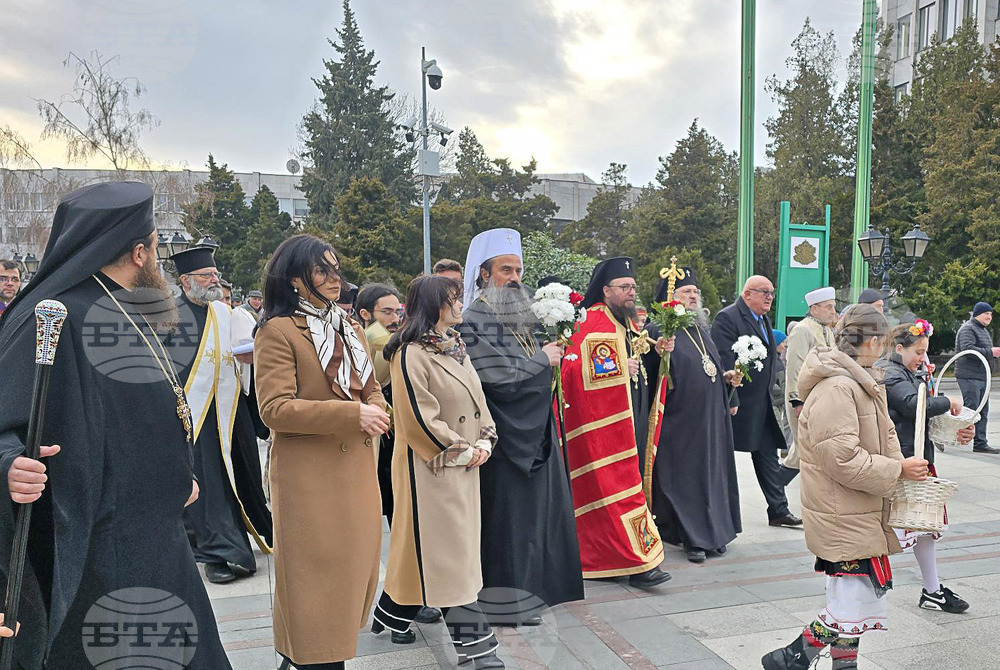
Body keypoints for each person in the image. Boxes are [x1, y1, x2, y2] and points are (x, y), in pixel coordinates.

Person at [0, 182, 231, 668]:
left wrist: (175, 475)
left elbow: (142, 418)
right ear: (139, 251)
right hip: (100, 557)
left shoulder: (127, 306)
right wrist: (7, 465)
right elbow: (9, 420)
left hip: (161, 538)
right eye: (153, 247)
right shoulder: (52, 315)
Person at [762, 304, 930, 670]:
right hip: (843, 511)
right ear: (870, 341)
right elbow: (842, 460)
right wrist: (897, 468)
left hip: (859, 508)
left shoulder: (859, 380)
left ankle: (839, 665)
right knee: (849, 601)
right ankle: (790, 657)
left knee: (855, 599)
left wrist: (902, 469)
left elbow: (880, 438)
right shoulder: (838, 387)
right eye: (882, 342)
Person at [254, 234, 389, 670]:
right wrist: (352, 414)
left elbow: (371, 388)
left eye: (336, 268)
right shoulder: (277, 331)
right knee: (315, 590)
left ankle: (308, 659)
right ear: (295, 280)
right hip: (309, 478)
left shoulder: (348, 327)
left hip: (355, 471)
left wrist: (376, 408)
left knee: (349, 583)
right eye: (322, 271)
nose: (336, 279)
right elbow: (274, 409)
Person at [371, 275, 504, 669]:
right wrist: (464, 451)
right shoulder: (411, 353)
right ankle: (480, 653)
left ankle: (389, 614)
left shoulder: (454, 349)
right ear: (434, 306)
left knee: (434, 553)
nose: (461, 306)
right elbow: (416, 420)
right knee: (450, 562)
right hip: (432, 469)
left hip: (463, 467)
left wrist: (485, 441)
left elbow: (479, 404)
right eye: (453, 300)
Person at [458, 228, 584, 623]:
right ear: (483, 275)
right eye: (505, 270)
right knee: (509, 523)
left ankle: (534, 593)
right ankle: (505, 603)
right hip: (505, 438)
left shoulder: (519, 316)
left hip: (535, 429)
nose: (514, 278)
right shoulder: (474, 317)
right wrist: (542, 362)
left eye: (517, 270)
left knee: (536, 520)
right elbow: (492, 377)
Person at [163, 246, 272, 584]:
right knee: (208, 482)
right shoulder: (168, 316)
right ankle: (216, 551)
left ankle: (250, 530)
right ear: (185, 281)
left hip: (231, 410)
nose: (214, 281)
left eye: (215, 275)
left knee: (242, 473)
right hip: (195, 416)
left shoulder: (226, 313)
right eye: (206, 276)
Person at [562, 256, 671, 587]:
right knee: (613, 491)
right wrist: (624, 368)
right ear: (605, 290)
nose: (631, 293)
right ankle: (634, 561)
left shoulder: (626, 322)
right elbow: (575, 371)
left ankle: (629, 555)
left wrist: (658, 351)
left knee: (625, 488)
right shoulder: (593, 321)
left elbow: (637, 358)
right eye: (625, 287)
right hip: (602, 429)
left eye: (634, 287)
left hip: (628, 420)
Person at [646, 268, 742, 563]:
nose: (693, 296)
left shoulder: (701, 329)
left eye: (695, 292)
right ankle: (692, 537)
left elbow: (711, 365)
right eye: (686, 291)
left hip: (711, 419)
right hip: (680, 420)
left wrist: (730, 385)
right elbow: (652, 373)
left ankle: (714, 532)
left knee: (710, 474)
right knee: (685, 478)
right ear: (670, 298)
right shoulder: (658, 329)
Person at [884, 321, 974, 614]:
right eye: (918, 352)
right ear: (899, 349)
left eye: (925, 352)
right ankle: (859, 589)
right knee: (888, 531)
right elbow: (913, 404)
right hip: (900, 463)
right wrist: (947, 401)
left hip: (914, 460)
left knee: (923, 528)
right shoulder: (891, 374)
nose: (923, 358)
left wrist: (958, 428)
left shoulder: (909, 372)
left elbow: (923, 417)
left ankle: (932, 590)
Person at [711, 276, 801, 528]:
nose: (770, 297)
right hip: (737, 404)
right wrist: (733, 397)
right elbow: (725, 361)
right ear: (747, 293)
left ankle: (778, 509)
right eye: (764, 292)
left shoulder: (763, 319)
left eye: (772, 292)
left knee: (768, 457)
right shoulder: (728, 318)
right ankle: (719, 516)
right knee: (723, 460)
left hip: (761, 405)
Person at [782, 286, 838, 481]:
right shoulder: (802, 330)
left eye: (833, 307)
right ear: (814, 309)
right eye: (828, 307)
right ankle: (775, 492)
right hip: (804, 400)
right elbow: (795, 367)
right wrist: (797, 401)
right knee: (803, 450)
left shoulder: (827, 331)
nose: (833, 311)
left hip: (821, 399)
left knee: (805, 451)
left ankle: (775, 493)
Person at [955, 302, 1000, 454]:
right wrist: (990, 352)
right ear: (977, 314)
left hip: (981, 376)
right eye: (986, 313)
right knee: (971, 409)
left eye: (991, 314)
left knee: (982, 411)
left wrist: (990, 353)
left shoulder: (983, 330)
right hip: (969, 375)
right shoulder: (968, 328)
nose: (989, 316)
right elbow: (968, 350)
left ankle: (980, 443)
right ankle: (948, 435)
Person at [772, 328, 792, 453]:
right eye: (782, 342)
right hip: (775, 402)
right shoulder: (772, 360)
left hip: (779, 402)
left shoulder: (778, 358)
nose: (784, 345)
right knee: (777, 431)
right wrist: (778, 390)